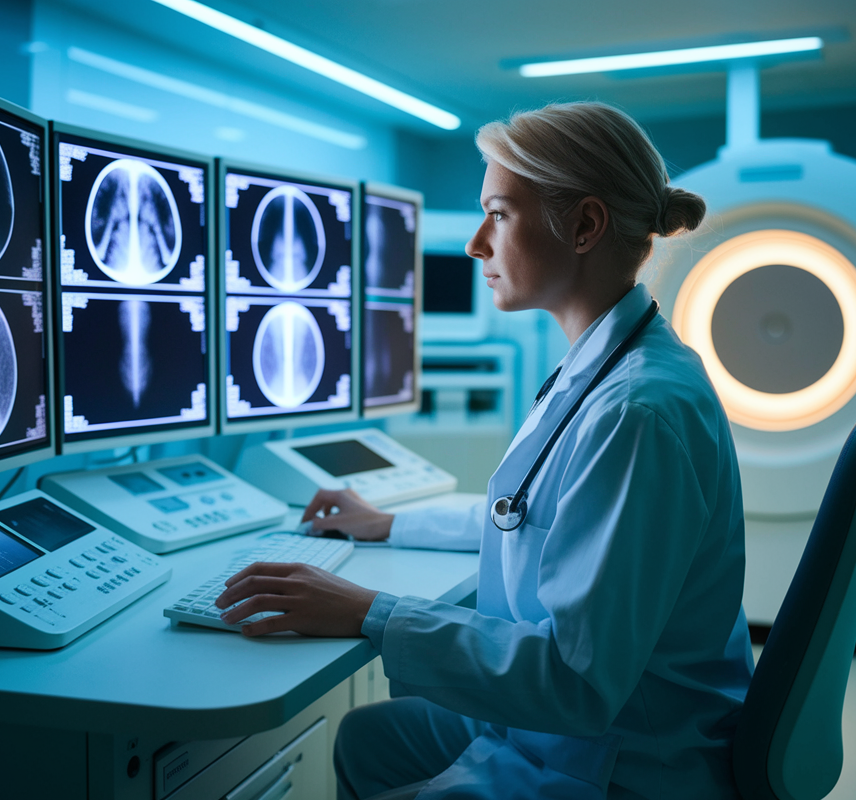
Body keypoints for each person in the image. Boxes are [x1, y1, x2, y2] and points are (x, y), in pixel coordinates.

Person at [216, 101, 755, 800]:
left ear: (585, 225)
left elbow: (575, 683)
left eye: (498, 213)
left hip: (620, 758)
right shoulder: (609, 365)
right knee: (365, 738)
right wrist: (389, 524)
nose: (476, 242)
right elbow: (535, 516)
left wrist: (368, 611)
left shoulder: (637, 411)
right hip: (586, 726)